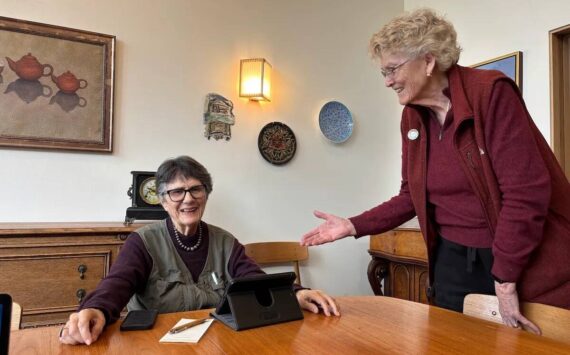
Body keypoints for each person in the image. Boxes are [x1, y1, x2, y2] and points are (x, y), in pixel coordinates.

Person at [301, 8, 570, 335]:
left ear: (428, 61)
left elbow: (526, 193)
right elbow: (409, 196)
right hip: (452, 261)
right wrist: (353, 225)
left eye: (392, 69)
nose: (387, 81)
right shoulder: (412, 118)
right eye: (382, 72)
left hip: (513, 256)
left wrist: (505, 277)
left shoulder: (491, 93)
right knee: (449, 342)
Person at [60, 156, 340, 346]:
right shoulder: (142, 243)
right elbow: (117, 284)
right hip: (155, 347)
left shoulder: (224, 241)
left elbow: (253, 277)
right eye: (177, 192)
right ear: (162, 200)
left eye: (196, 189)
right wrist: (94, 308)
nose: (188, 199)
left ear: (206, 194)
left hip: (216, 344)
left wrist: (297, 293)